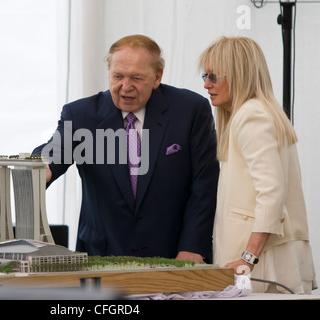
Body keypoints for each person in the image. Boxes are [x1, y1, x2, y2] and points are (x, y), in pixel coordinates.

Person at [33, 35, 219, 263]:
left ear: (157, 77)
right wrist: (42, 166)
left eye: (137, 78)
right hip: (101, 260)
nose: (125, 87)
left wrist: (193, 247)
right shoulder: (81, 115)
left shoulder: (190, 111)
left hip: (175, 258)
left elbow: (204, 185)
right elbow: (56, 150)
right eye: (117, 76)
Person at [199, 36, 317, 293]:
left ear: (239, 74)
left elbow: (272, 193)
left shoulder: (250, 115)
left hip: (261, 261)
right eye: (204, 76)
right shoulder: (262, 111)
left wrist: (248, 259)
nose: (207, 84)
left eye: (214, 76)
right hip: (266, 257)